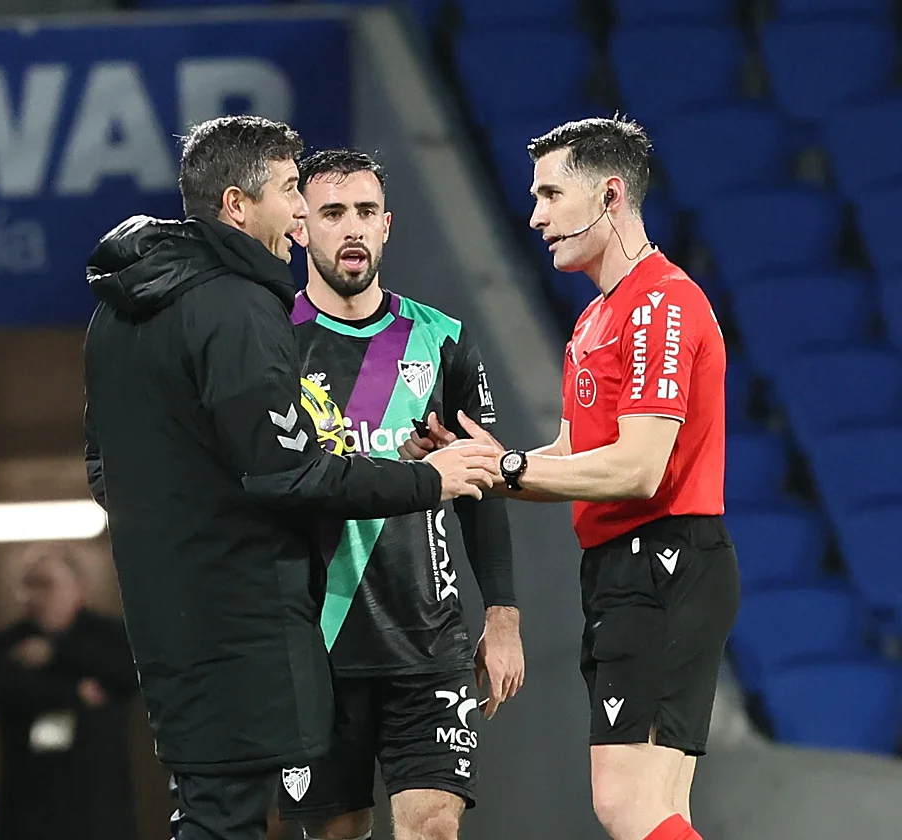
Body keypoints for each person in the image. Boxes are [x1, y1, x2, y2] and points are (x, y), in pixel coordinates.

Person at [82, 115, 501, 840]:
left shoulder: (115, 315)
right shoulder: (239, 307)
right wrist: (427, 481)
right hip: (244, 613)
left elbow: (103, 467)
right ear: (239, 206)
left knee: (212, 809)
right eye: (291, 192)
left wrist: (180, 532)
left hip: (168, 609)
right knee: (226, 818)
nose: (303, 212)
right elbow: (288, 476)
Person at [402, 117, 739, 840]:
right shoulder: (596, 319)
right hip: (633, 568)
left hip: (662, 560)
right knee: (656, 809)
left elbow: (640, 467)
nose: (536, 215)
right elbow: (573, 452)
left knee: (627, 805)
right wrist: (482, 466)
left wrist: (512, 467)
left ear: (611, 195)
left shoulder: (659, 307)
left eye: (552, 194)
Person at [275, 149, 525, 840]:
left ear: (386, 226)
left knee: (434, 828)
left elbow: (484, 482)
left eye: (363, 212)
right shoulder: (269, 343)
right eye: (331, 213)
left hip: (428, 640)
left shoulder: (441, 339)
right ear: (301, 228)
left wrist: (502, 617)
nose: (350, 228)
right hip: (314, 640)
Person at [0, 549, 140, 840]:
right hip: (28, 806)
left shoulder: (109, 636)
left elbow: (127, 676)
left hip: (98, 806)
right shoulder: (8, 642)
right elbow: (0, 691)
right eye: (29, 585)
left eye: (46, 584)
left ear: (79, 588)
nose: (35, 596)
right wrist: (75, 693)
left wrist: (56, 653)